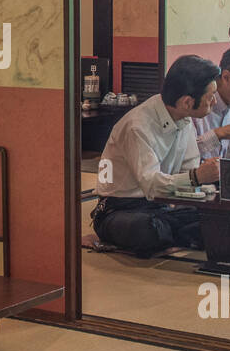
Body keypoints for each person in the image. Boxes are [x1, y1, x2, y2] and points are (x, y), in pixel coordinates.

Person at [91, 55, 220, 256]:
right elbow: (151, 185)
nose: (214, 101)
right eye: (210, 96)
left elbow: (188, 171)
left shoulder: (185, 119)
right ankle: (181, 233)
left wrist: (206, 184)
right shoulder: (138, 126)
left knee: (216, 217)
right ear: (187, 101)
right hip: (122, 209)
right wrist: (196, 177)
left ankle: (178, 231)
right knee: (148, 230)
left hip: (162, 207)